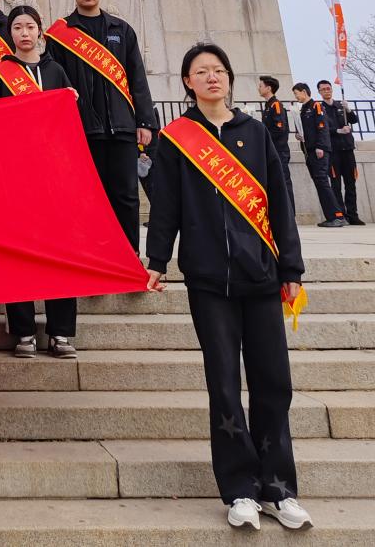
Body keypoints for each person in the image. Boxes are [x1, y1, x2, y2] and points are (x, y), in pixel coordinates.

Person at [146, 43, 311, 532]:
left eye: (218, 70)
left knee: (273, 382)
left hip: (261, 275)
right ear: (188, 82)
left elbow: (279, 202)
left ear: (229, 78)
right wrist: (157, 261)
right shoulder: (176, 139)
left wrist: (291, 269)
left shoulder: (255, 133)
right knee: (223, 384)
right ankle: (240, 488)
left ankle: (278, 489)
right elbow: (166, 204)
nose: (212, 77)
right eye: (201, 71)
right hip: (208, 280)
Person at [0, 5, 79, 359]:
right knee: (18, 252)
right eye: (17, 27)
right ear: (9, 34)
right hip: (14, 175)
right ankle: (24, 331)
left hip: (54, 176)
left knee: (60, 252)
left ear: (40, 31)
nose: (24, 33)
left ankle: (61, 332)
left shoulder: (57, 72)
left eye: (30, 27)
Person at [45, 0, 153, 253]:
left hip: (122, 128)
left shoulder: (122, 30)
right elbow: (57, 83)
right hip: (83, 130)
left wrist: (144, 121)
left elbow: (137, 78)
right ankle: (98, 256)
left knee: (126, 196)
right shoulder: (60, 35)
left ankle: (129, 256)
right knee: (89, 197)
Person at [292, 82, 344, 228]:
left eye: (296, 93)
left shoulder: (316, 106)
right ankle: (330, 216)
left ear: (304, 92)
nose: (296, 97)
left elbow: (322, 127)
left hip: (318, 150)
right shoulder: (302, 110)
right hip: (308, 150)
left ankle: (337, 216)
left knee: (322, 181)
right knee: (319, 183)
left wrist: (320, 146)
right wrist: (298, 135)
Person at [318, 79, 364, 225]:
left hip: (347, 149)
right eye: (323, 89)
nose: (327, 91)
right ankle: (341, 215)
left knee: (351, 183)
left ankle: (353, 215)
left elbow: (354, 120)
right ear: (319, 92)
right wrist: (338, 131)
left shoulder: (340, 106)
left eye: (328, 88)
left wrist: (348, 109)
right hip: (333, 151)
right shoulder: (320, 108)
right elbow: (322, 128)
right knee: (336, 184)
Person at [258, 76, 294, 213]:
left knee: (284, 181)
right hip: (272, 149)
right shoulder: (268, 106)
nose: (258, 88)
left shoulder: (276, 105)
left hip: (279, 150)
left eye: (261, 86)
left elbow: (280, 128)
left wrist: (266, 139)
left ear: (268, 88)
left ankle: (290, 213)